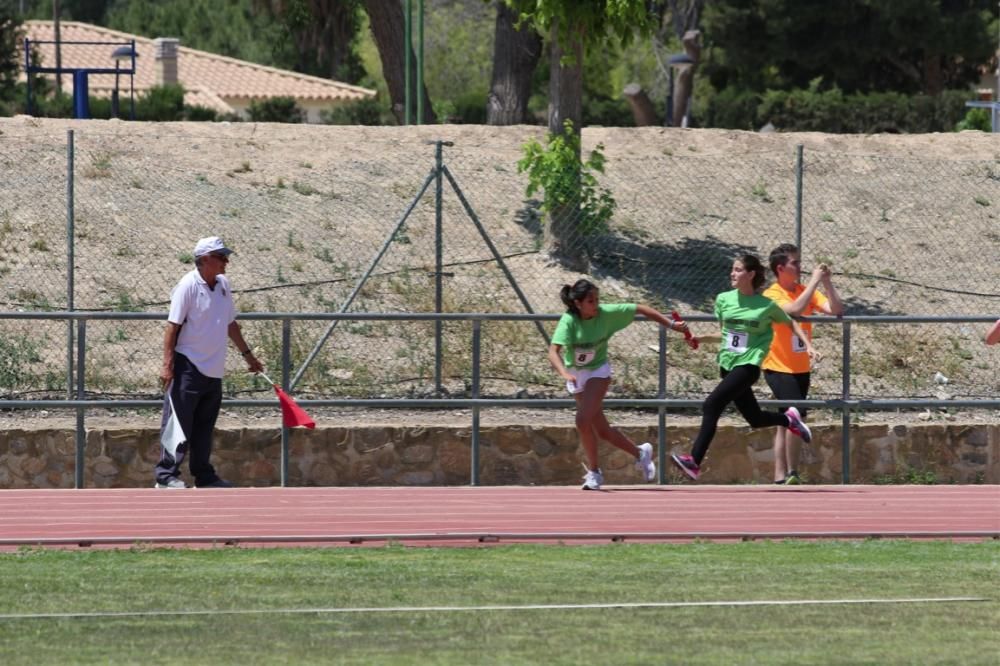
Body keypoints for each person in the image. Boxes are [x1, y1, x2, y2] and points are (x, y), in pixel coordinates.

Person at [670, 254, 814, 482]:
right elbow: (727, 336)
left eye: (737, 270)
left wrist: (808, 346)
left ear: (751, 274)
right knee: (755, 418)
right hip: (727, 365)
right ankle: (789, 421)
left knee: (711, 404)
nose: (732, 273)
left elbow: (791, 323)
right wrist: (700, 338)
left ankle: (694, 462)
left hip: (748, 366)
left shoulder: (766, 306)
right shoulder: (723, 300)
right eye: (732, 269)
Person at [548, 279, 691, 490]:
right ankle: (641, 453)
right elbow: (553, 351)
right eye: (590, 301)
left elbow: (640, 309)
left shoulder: (606, 314)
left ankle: (594, 473)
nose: (596, 304)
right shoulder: (569, 321)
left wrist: (670, 324)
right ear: (578, 303)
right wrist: (563, 373)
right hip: (576, 376)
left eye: (597, 299)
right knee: (602, 431)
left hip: (598, 372)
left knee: (582, 420)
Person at [154, 236, 263, 489]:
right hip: (188, 366)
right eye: (221, 256)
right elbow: (172, 327)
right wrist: (167, 365)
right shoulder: (187, 286)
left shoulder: (223, 284)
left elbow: (230, 323)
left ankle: (204, 476)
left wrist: (248, 356)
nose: (226, 261)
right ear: (204, 260)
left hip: (214, 369)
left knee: (204, 427)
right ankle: (166, 475)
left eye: (226, 256)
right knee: (178, 424)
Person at [762, 244, 844, 484]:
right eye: (794, 263)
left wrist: (826, 282)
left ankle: (779, 476)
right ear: (780, 268)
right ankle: (792, 472)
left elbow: (836, 309)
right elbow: (795, 310)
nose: (800, 267)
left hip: (800, 368)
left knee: (783, 422)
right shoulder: (772, 294)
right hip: (778, 367)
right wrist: (814, 282)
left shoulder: (803, 289)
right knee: (797, 415)